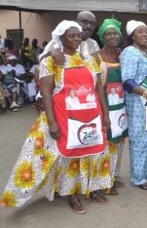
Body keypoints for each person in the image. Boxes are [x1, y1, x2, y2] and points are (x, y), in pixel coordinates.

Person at [0, 20, 112, 214]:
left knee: (94, 153)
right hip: (65, 117)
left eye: (78, 35)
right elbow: (46, 92)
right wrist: (52, 123)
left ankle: (92, 189)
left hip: (91, 116)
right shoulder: (51, 60)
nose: (77, 39)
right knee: (69, 157)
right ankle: (72, 194)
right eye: (71, 36)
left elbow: (99, 87)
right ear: (61, 38)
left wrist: (106, 114)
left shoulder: (88, 59)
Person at [121, 20, 147, 190]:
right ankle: (138, 178)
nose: (145, 34)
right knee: (139, 141)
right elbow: (127, 81)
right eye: (140, 32)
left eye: (146, 31)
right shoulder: (130, 52)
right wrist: (145, 93)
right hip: (138, 103)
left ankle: (146, 173)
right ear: (132, 36)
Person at [93, 18, 127, 195]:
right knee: (106, 144)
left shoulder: (121, 54)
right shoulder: (95, 57)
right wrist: (104, 112)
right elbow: (95, 86)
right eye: (108, 33)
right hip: (105, 106)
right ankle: (103, 180)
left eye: (115, 33)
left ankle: (113, 176)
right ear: (102, 37)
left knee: (119, 142)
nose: (112, 36)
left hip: (120, 107)